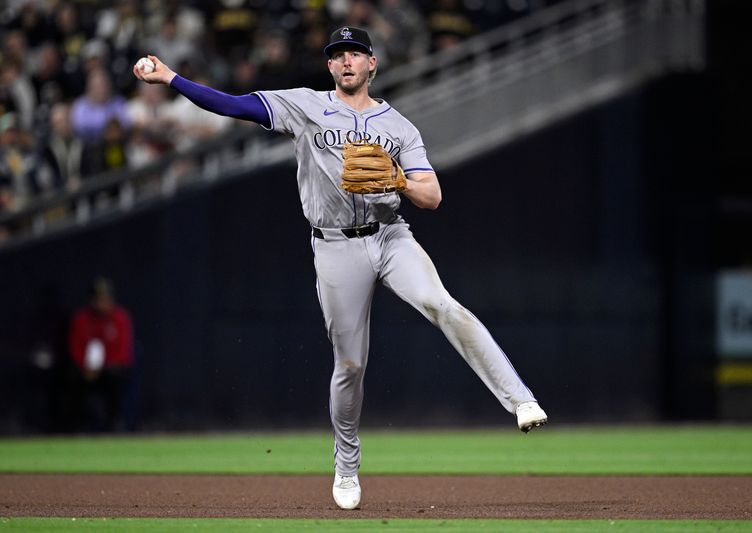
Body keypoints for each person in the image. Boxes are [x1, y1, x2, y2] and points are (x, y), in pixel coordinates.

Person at [133, 26, 547, 510]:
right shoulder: (305, 105)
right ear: (330, 66)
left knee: (441, 303)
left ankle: (519, 398)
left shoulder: (400, 127)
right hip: (334, 248)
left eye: (356, 53)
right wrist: (172, 78)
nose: (347, 61)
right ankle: (346, 464)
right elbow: (235, 105)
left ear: (372, 65)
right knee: (350, 365)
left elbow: (432, 197)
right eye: (338, 55)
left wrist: (398, 179)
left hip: (390, 235)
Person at [68, 277, 134, 432]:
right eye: (98, 299)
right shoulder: (82, 319)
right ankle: (79, 426)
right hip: (86, 370)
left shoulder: (120, 318)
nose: (102, 303)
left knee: (116, 376)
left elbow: (123, 351)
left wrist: (102, 368)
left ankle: (115, 424)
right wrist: (87, 368)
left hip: (111, 369)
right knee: (71, 376)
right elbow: (75, 348)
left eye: (105, 298)